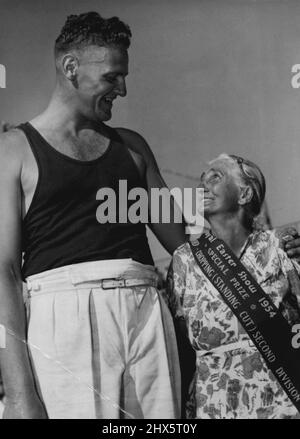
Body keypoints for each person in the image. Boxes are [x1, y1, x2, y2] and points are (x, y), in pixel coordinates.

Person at [0, 12, 186, 419]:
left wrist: (261, 248)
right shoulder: (12, 150)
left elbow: (185, 249)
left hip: (146, 311)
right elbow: (4, 273)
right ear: (71, 68)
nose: (122, 88)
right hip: (63, 320)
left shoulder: (133, 148)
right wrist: (18, 394)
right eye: (112, 77)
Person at [166, 153, 300, 419]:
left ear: (244, 194)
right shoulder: (184, 260)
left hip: (281, 401)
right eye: (202, 180)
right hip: (214, 403)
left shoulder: (280, 246)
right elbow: (179, 341)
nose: (202, 185)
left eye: (215, 177)